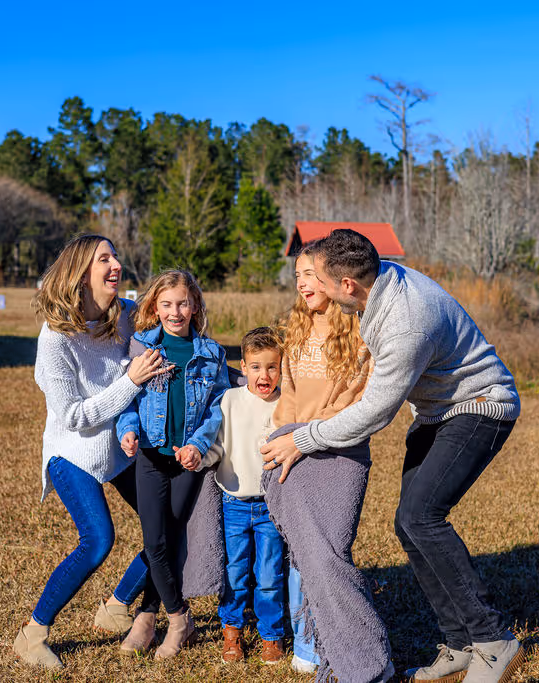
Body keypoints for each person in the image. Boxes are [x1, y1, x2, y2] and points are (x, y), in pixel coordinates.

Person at [261, 229, 524, 683]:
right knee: (408, 523)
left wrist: (301, 439)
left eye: (320, 280)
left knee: (423, 516)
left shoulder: (406, 321)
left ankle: (492, 639)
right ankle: (459, 643)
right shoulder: (378, 283)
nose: (313, 288)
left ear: (347, 285)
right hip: (436, 412)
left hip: (480, 406)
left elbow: (374, 413)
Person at [12, 234, 170, 671]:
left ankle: (116, 605)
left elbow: (173, 325)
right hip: (73, 453)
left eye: (115, 256)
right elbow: (73, 417)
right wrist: (131, 382)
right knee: (98, 539)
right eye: (105, 258)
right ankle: (32, 634)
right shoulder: (55, 339)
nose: (116, 264)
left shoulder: (125, 317)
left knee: (168, 525)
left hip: (122, 446)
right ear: (81, 273)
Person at [262, 247, 391, 682]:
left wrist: (308, 437)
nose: (301, 282)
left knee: (330, 552)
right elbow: (291, 394)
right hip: (293, 448)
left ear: (335, 280)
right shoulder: (295, 328)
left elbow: (355, 398)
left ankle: (361, 654)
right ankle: (308, 642)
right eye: (296, 274)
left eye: (311, 274)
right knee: (302, 553)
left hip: (342, 452)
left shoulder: (359, 330)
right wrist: (284, 435)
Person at [115, 269, 230, 659]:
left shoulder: (211, 353)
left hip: (188, 463)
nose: (175, 311)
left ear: (194, 304)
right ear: (155, 307)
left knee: (173, 537)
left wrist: (198, 444)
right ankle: (179, 618)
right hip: (149, 455)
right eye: (166, 304)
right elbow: (128, 399)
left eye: (182, 303)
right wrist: (127, 429)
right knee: (154, 539)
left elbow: (218, 408)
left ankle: (146, 617)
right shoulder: (142, 346)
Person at [196, 326, 286, 665]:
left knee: (268, 574)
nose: (264, 375)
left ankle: (271, 636)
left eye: (272, 367)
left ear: (282, 368)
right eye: (256, 367)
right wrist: (200, 457)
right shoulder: (231, 400)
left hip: (271, 507)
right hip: (233, 503)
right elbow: (219, 445)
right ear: (243, 367)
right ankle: (231, 633)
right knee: (234, 572)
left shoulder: (286, 404)